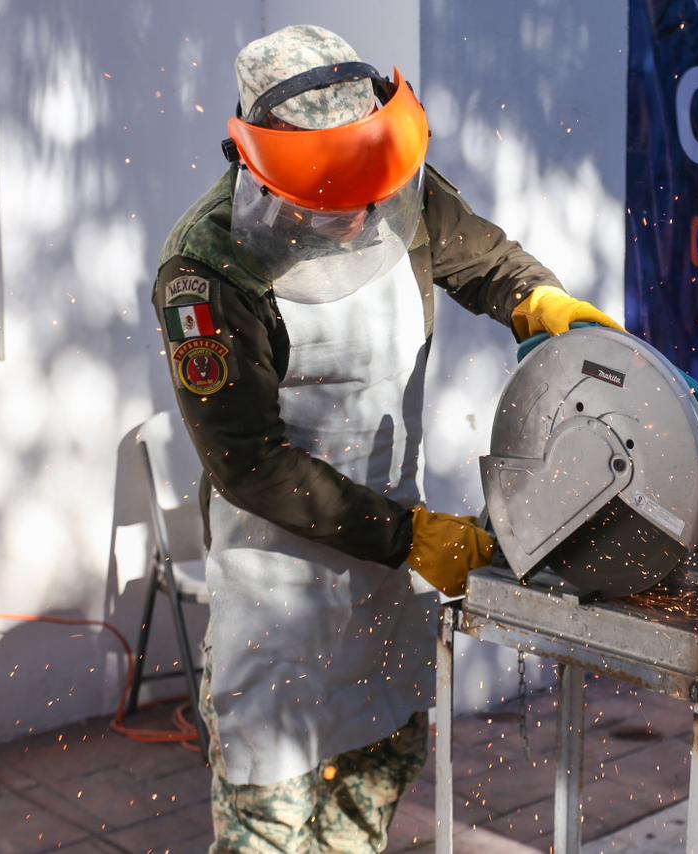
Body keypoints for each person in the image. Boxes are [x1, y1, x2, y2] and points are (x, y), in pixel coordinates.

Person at [150, 24, 621, 853]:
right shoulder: (207, 266)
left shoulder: (384, 174)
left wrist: (540, 303)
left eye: (372, 190)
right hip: (279, 581)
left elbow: (486, 260)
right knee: (271, 825)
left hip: (390, 563)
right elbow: (248, 465)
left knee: (369, 797)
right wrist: (412, 536)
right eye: (329, 199)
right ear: (255, 163)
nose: (359, 217)